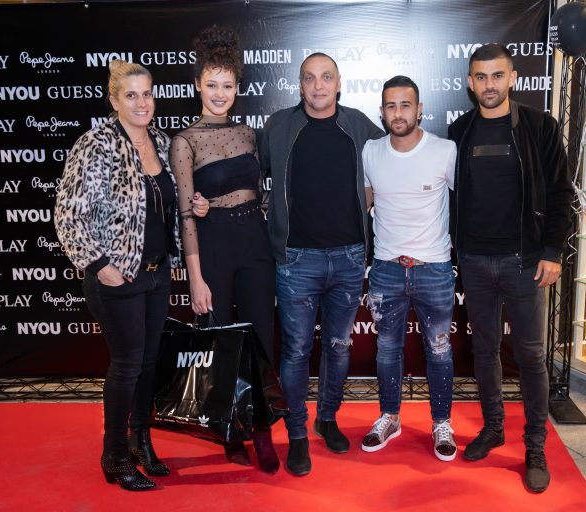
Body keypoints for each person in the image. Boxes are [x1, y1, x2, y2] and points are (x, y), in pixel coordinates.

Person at [54, 59, 209, 491]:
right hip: (117, 277)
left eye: (147, 94)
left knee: (148, 363)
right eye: (132, 95)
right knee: (126, 365)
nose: (142, 103)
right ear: (114, 100)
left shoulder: (160, 141)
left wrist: (194, 206)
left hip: (157, 274)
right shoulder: (96, 144)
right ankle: (115, 455)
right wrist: (100, 266)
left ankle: (141, 442)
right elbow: (68, 215)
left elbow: (164, 206)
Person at [447, 43, 572, 493]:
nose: (489, 85)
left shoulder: (539, 126)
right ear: (470, 82)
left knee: (532, 357)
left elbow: (560, 193)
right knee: (483, 352)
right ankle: (493, 427)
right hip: (474, 261)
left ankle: (535, 446)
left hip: (526, 262)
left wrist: (553, 251)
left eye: (497, 76)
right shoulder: (459, 130)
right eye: (481, 77)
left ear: (513, 78)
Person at [260, 52, 383, 476]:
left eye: (326, 77)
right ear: (300, 85)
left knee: (338, 346)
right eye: (310, 78)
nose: (318, 86)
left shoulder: (359, 125)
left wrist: (372, 195)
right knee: (295, 350)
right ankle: (297, 433)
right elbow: (247, 173)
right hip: (296, 259)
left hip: (349, 257)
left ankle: (327, 419)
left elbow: (392, 161)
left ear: (339, 83)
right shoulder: (278, 126)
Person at [170, 26, 280, 474]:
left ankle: (263, 430)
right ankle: (229, 430)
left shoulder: (249, 134)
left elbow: (260, 191)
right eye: (212, 84)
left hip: (254, 240)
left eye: (228, 85)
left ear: (238, 88)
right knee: (220, 340)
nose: (220, 93)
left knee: (262, 339)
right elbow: (186, 215)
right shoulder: (185, 141)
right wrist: (195, 279)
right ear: (198, 85)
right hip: (213, 244)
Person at [361, 76, 458, 461]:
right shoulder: (370, 152)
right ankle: (390, 416)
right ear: (381, 112)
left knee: (439, 350)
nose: (398, 113)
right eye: (391, 106)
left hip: (434, 268)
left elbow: (470, 202)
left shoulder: (445, 151)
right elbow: (364, 202)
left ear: (419, 110)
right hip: (386, 269)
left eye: (405, 105)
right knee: (387, 349)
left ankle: (442, 422)